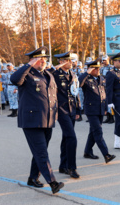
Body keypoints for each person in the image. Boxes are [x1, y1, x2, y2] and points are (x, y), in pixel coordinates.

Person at [10, 46, 64, 194]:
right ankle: (52, 182)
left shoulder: (47, 74)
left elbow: (53, 96)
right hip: (32, 120)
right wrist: (29, 65)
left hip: (48, 119)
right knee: (41, 152)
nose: (43, 61)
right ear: (32, 60)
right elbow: (14, 79)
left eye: (45, 58)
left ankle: (33, 178)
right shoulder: (26, 74)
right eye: (39, 59)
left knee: (40, 151)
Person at [79, 59, 116, 163]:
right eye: (96, 68)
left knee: (93, 132)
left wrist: (105, 108)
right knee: (98, 132)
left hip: (100, 109)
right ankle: (106, 154)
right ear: (91, 69)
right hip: (91, 109)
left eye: (99, 68)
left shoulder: (101, 78)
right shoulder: (86, 79)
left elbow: (103, 94)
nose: (98, 69)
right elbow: (78, 83)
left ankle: (87, 151)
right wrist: (87, 72)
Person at [52, 51, 80, 179]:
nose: (70, 62)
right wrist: (55, 68)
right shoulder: (55, 74)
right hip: (61, 110)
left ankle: (63, 165)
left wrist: (78, 109)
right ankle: (71, 167)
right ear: (61, 61)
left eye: (71, 60)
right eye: (67, 60)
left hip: (71, 109)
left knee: (66, 137)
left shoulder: (73, 74)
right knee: (72, 137)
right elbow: (45, 74)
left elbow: (75, 92)